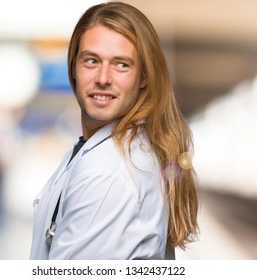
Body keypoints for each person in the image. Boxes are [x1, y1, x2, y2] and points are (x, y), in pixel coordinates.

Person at [30, 1, 199, 260]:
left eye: (121, 64)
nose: (103, 78)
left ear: (144, 76)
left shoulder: (108, 171)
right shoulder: (105, 151)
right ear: (73, 67)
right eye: (91, 60)